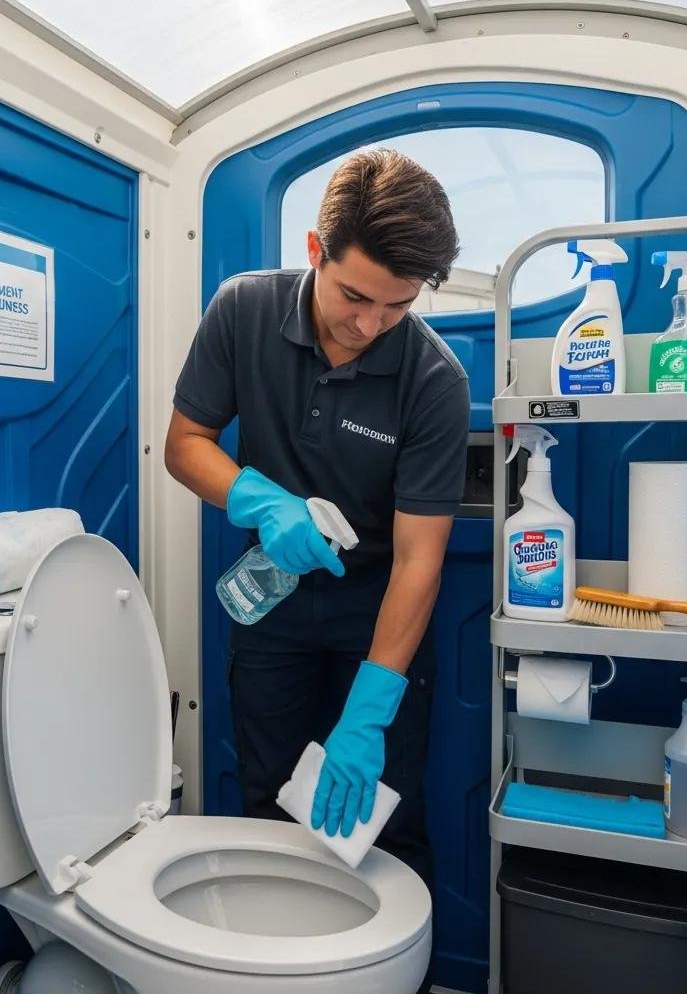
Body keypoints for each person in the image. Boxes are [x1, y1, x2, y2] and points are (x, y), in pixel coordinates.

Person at [165, 148, 469, 989]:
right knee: (269, 807)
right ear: (315, 250)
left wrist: (371, 711)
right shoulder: (241, 311)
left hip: (381, 621)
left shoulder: (435, 378)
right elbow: (183, 447)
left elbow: (418, 560)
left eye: (398, 306)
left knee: (384, 822)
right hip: (271, 603)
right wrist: (260, 501)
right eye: (355, 296)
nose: (370, 324)